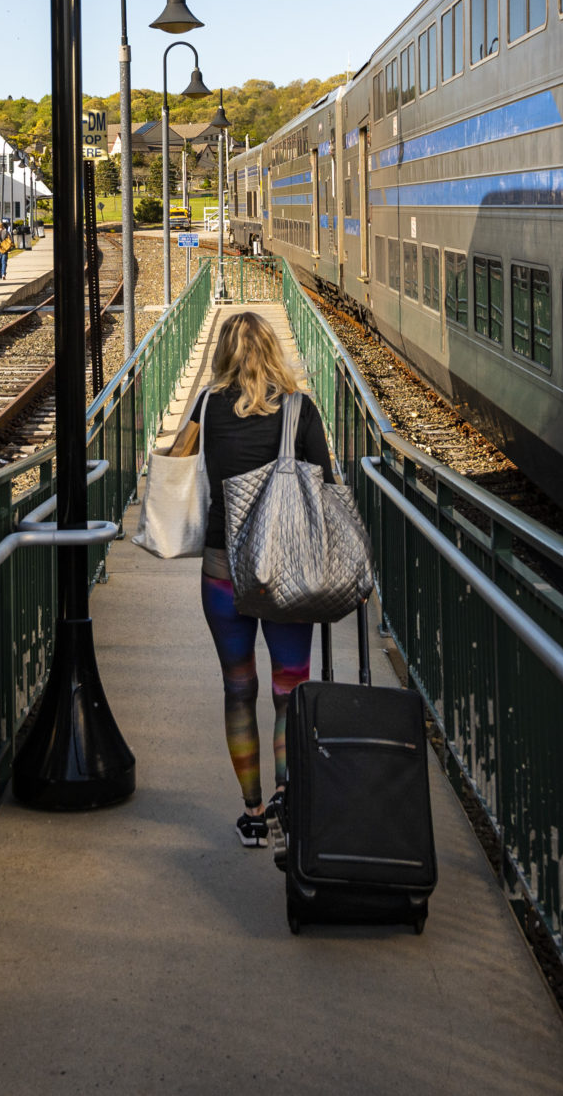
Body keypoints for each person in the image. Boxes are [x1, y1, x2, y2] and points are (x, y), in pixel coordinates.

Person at [196, 310, 332, 848]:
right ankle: (286, 802)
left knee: (238, 690)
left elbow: (180, 460)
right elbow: (325, 485)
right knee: (288, 690)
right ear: (274, 351)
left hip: (222, 570)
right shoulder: (300, 411)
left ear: (225, 355)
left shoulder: (208, 407)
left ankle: (252, 813)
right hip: (285, 573)